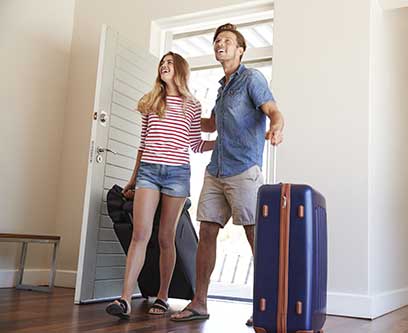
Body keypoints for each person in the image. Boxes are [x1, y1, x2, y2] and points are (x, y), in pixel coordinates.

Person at [170, 23, 284, 325]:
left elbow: (273, 110)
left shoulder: (251, 79)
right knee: (206, 232)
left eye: (227, 41)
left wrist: (276, 126)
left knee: (254, 235)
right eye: (217, 41)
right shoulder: (221, 89)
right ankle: (199, 303)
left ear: (240, 49)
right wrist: (182, 107)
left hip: (244, 169)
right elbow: (210, 125)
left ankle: (266, 304)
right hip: (215, 170)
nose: (220, 44)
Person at [105, 52, 215, 319]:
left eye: (170, 63)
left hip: (177, 174)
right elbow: (142, 145)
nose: (164, 66)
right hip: (149, 173)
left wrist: (224, 143)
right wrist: (132, 180)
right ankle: (124, 300)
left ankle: (163, 296)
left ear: (179, 70)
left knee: (166, 237)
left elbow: (196, 144)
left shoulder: (192, 105)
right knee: (140, 234)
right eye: (162, 63)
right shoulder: (151, 102)